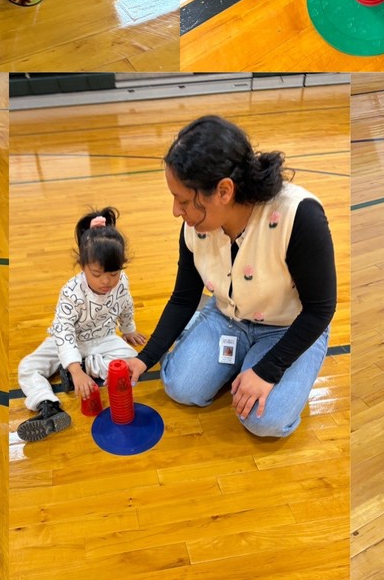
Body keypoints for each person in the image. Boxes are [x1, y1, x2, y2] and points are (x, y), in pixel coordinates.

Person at [126, 116, 337, 438]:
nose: (176, 211)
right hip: (227, 316)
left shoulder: (299, 215)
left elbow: (320, 309)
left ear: (224, 191)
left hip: (290, 326)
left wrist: (267, 370)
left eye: (183, 200)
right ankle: (230, 354)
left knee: (265, 421)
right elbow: (183, 298)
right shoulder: (195, 225)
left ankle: (255, 363)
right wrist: (145, 358)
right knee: (182, 388)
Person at [16, 208, 146, 442]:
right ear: (83, 266)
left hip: (103, 339)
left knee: (131, 362)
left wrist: (129, 330)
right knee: (27, 367)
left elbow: (126, 304)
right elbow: (63, 332)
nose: (106, 281)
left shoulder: (121, 283)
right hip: (69, 341)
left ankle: (87, 366)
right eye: (96, 274)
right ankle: (48, 405)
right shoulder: (71, 292)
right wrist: (75, 371)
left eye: (114, 273)